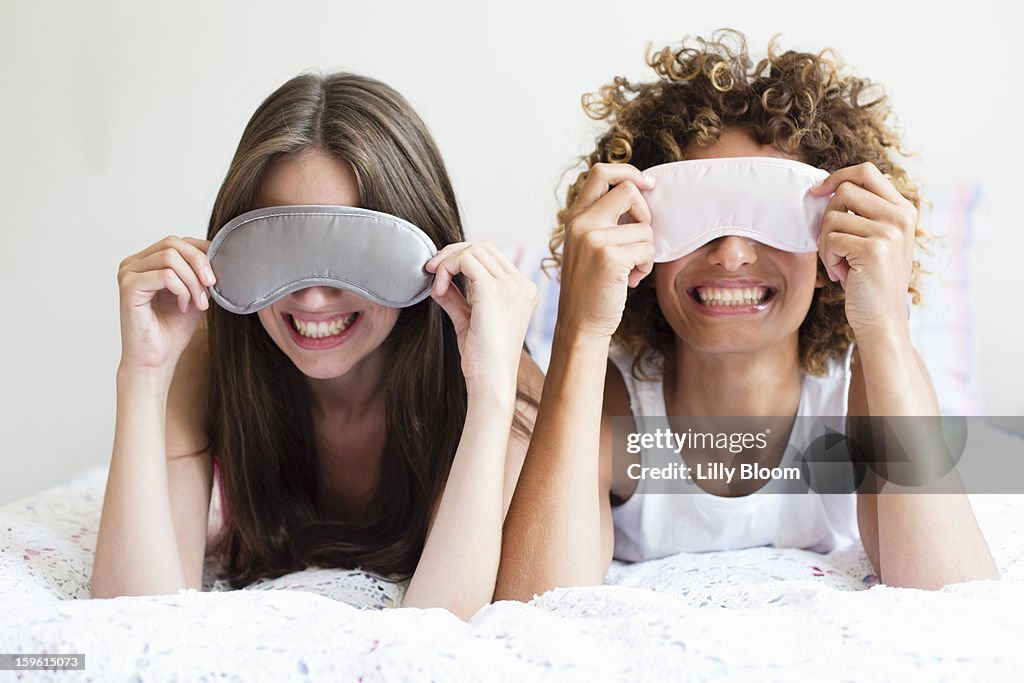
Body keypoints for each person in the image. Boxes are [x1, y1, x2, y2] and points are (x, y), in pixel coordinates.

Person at [496, 29, 999, 600]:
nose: (732, 253)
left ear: (829, 240)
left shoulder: (863, 392)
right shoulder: (611, 402)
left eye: (771, 218)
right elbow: (534, 603)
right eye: (697, 218)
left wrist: (885, 328)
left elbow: (954, 595)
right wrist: (580, 330)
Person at [92, 72, 542, 620]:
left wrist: (490, 392)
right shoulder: (209, 352)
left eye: (354, 255)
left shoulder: (491, 370)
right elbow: (129, 616)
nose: (311, 296)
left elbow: (443, 624)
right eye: (280, 251)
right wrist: (143, 373)